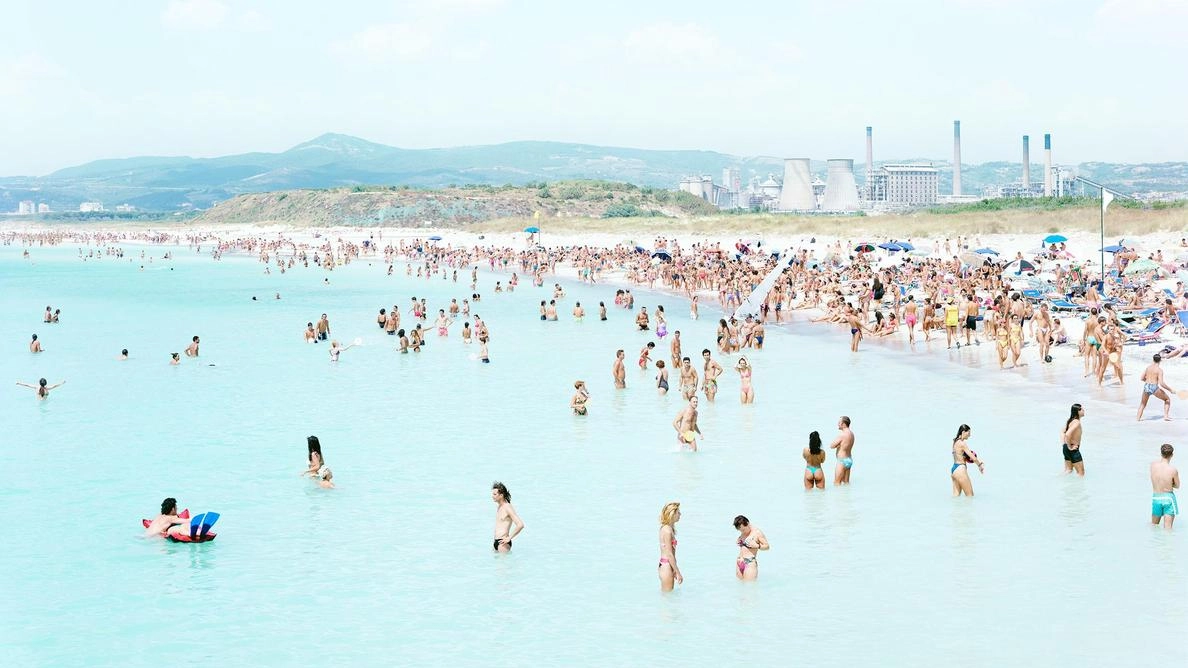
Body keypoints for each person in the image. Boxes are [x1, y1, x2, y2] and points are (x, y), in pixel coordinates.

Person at [1138, 354, 1177, 421]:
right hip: (1154, 387)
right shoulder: (1159, 370)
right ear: (1160, 360)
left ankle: (1138, 418)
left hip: (1146, 386)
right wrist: (1170, 390)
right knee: (1167, 399)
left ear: (1153, 359)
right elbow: (1161, 383)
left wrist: (1148, 382)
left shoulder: (1148, 367)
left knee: (1142, 404)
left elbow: (1142, 378)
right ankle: (1166, 417)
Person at [950, 424, 985, 497]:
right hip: (960, 470)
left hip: (954, 470)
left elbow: (958, 454)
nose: (969, 435)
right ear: (963, 432)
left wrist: (964, 457)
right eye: (968, 433)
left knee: (955, 497)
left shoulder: (955, 441)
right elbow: (973, 458)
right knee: (970, 496)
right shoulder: (963, 444)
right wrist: (980, 465)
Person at [1150, 444, 1179, 529]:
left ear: (1161, 453)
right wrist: (1170, 483)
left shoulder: (1153, 466)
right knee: (1167, 530)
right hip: (1168, 499)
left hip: (1156, 498)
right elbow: (1177, 486)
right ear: (1172, 455)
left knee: (1154, 527)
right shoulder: (1173, 470)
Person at [733, 515, 769, 581]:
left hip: (749, 563)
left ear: (748, 523)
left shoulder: (757, 533)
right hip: (739, 562)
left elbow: (767, 547)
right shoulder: (743, 532)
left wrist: (757, 546)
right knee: (740, 586)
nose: (742, 532)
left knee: (749, 587)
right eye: (740, 530)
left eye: (743, 529)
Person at [491, 481, 524, 552]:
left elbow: (520, 525)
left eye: (494, 494)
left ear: (501, 495)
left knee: (504, 563)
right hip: (497, 542)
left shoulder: (507, 507)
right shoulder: (500, 506)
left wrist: (509, 538)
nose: (492, 496)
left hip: (503, 543)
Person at [658, 502, 683, 592]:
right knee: (667, 597)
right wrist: (677, 572)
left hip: (665, 565)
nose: (680, 515)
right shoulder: (668, 531)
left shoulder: (665, 528)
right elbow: (669, 554)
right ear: (672, 514)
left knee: (667, 598)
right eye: (678, 513)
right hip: (667, 566)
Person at [830, 416, 855, 485]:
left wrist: (838, 445)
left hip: (842, 461)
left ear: (843, 424)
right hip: (849, 460)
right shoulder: (852, 434)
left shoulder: (842, 435)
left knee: (837, 483)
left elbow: (832, 446)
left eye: (839, 422)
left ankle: (838, 496)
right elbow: (846, 445)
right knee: (846, 483)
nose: (838, 424)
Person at [1062, 403, 1086, 476]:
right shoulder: (1077, 422)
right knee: (1081, 474)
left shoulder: (1070, 420)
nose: (1084, 410)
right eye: (1082, 409)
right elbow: (1067, 434)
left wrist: (1065, 444)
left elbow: (1062, 432)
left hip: (1066, 448)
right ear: (1078, 411)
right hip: (1072, 449)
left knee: (1068, 471)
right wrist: (1070, 447)